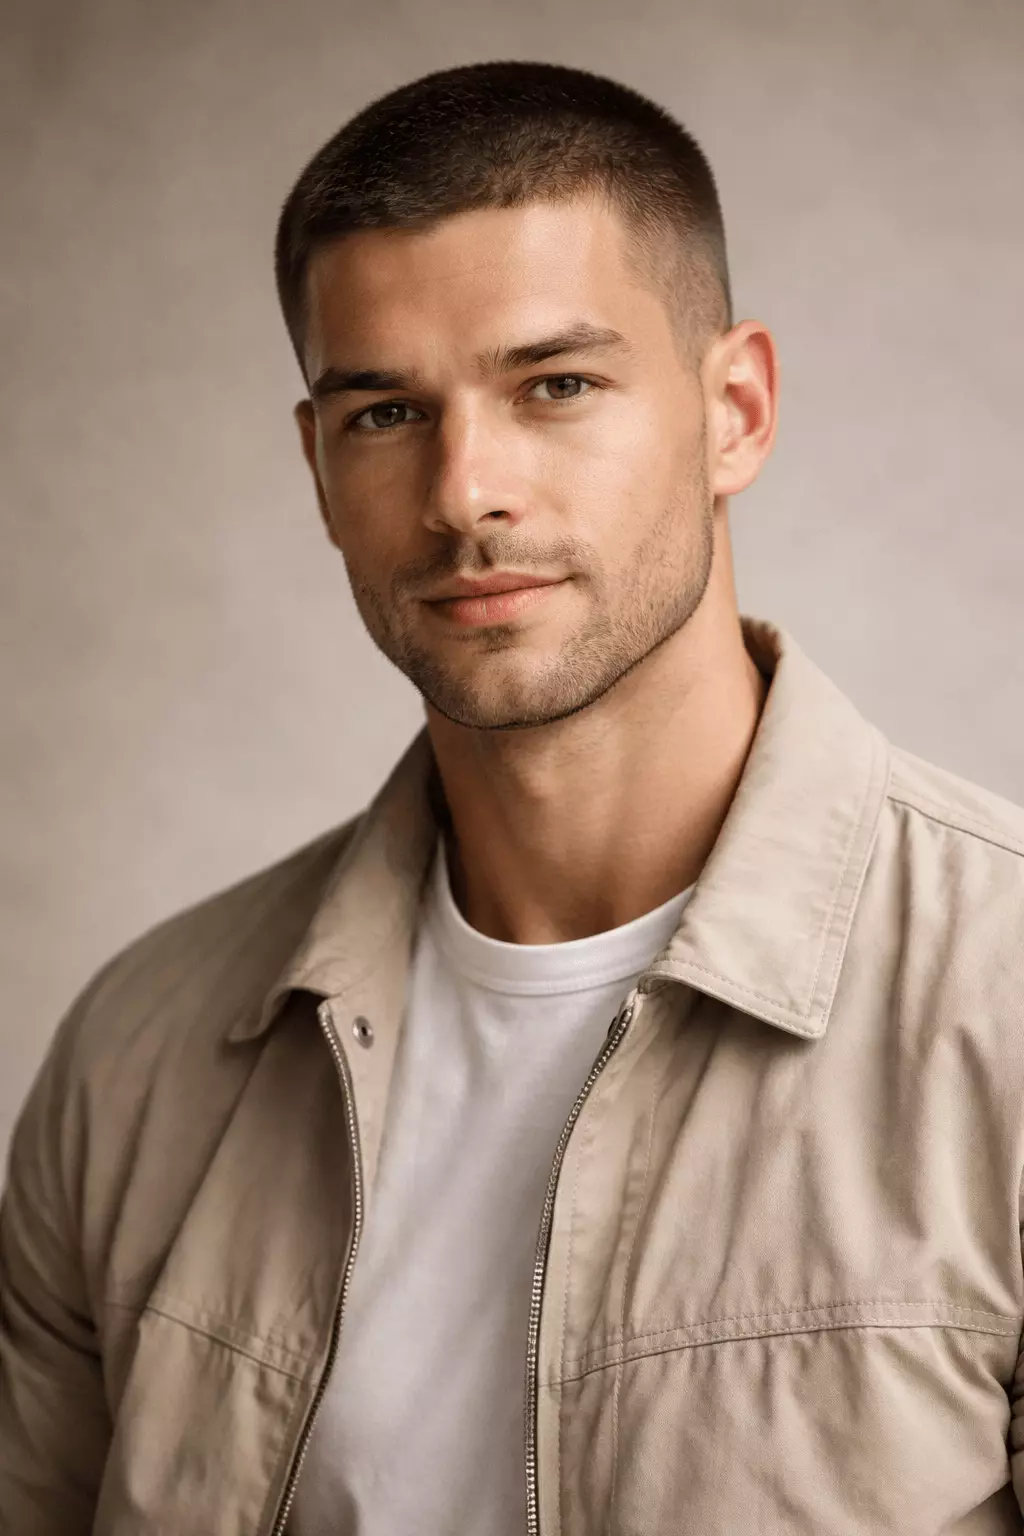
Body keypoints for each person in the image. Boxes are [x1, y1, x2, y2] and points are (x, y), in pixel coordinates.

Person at [2, 57, 1023, 1536]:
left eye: (556, 386)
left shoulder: (1002, 996)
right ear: (316, 467)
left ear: (733, 410)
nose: (465, 491)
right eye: (382, 414)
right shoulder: (141, 1059)